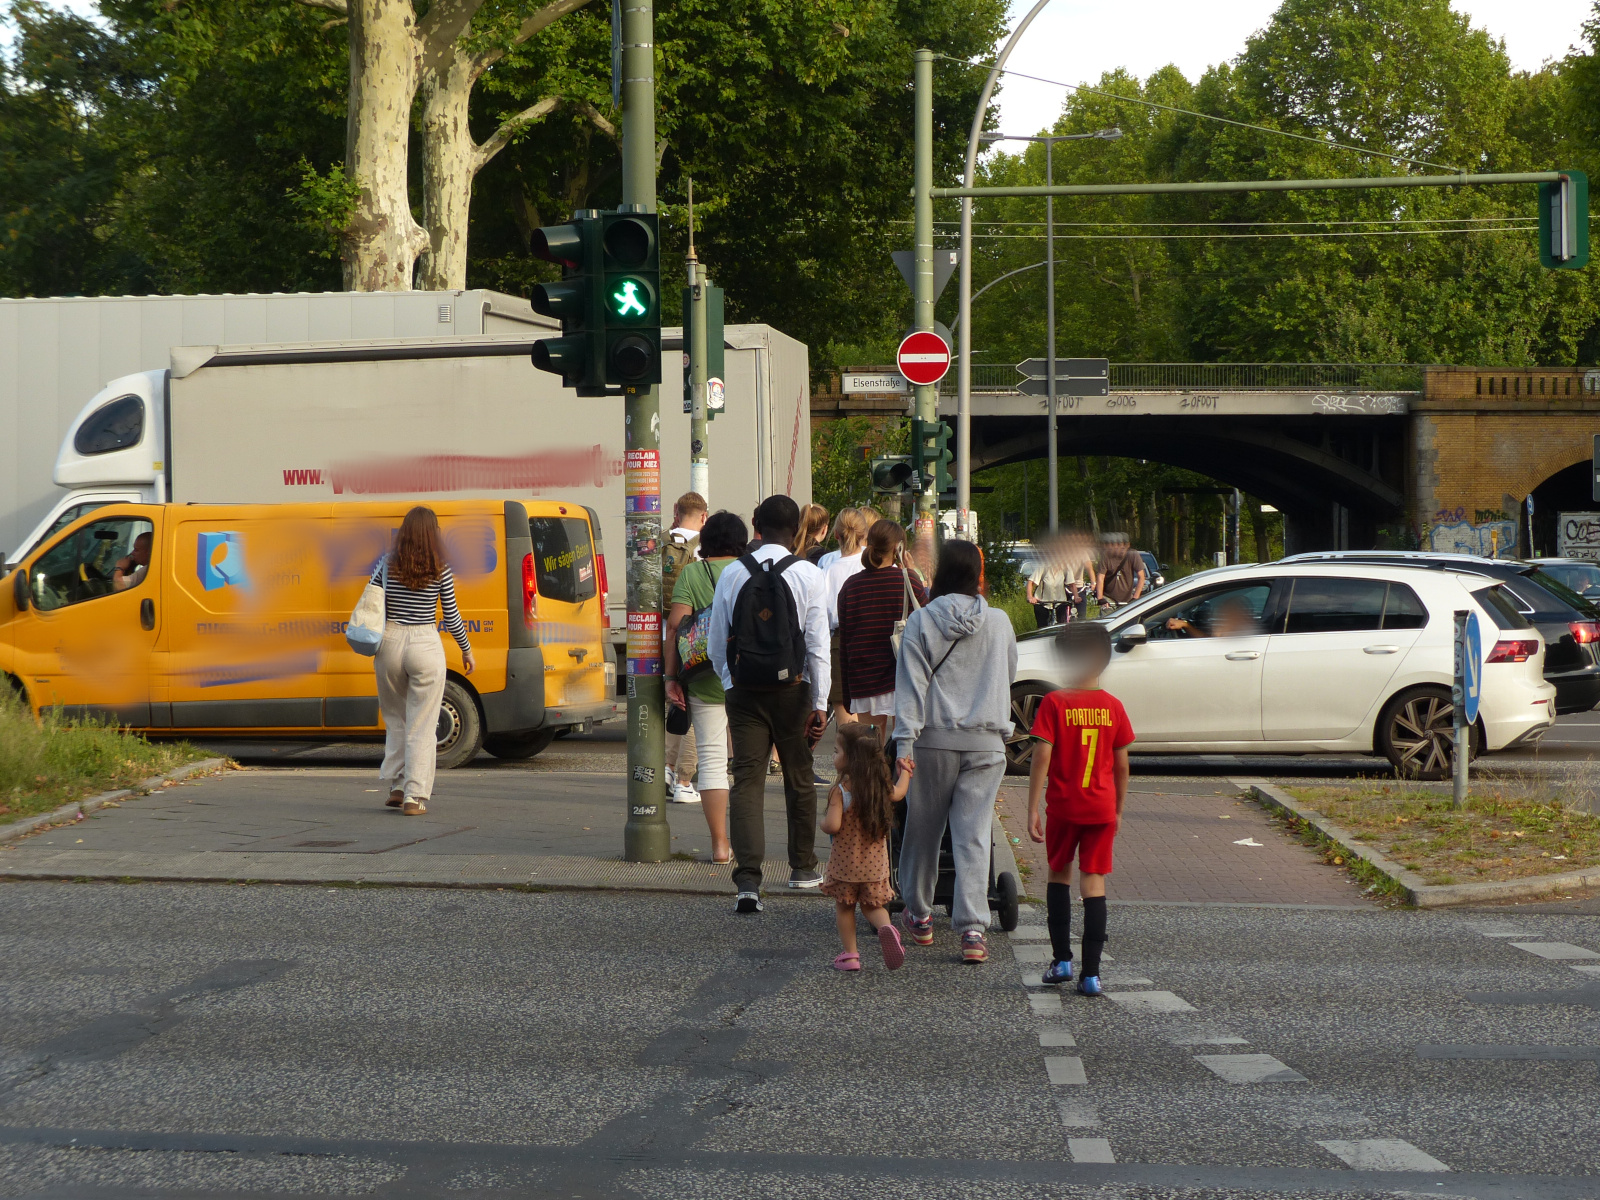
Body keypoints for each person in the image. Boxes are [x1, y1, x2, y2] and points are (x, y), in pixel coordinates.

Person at [893, 540, 1017, 963]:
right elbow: (1008, 675)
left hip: (932, 742)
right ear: (978, 575)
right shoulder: (999, 623)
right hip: (986, 744)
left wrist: (903, 745)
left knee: (922, 831)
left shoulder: (921, 622)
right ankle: (972, 932)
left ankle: (920, 915)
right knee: (973, 835)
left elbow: (910, 690)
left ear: (941, 572)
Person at [709, 494, 832, 912]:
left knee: (746, 781)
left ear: (757, 525)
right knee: (799, 775)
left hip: (743, 692)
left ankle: (747, 882)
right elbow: (818, 646)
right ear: (797, 529)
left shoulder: (731, 574)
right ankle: (803, 867)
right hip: (792, 690)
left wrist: (732, 682)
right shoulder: (809, 574)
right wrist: (819, 701)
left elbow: (715, 644)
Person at [1026, 622, 1134, 996]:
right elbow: (1121, 765)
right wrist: (1118, 808)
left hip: (1064, 807)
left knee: (1059, 875)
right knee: (1094, 883)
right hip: (1101, 808)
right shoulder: (1113, 707)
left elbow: (1042, 755)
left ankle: (1061, 960)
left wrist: (1033, 807)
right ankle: (1092, 974)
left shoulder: (1055, 703)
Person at [372, 506, 475, 816]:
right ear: (434, 532)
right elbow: (452, 614)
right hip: (424, 642)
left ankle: (398, 785)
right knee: (422, 723)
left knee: (397, 719)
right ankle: (414, 797)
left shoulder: (387, 564)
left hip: (390, 642)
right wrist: (466, 649)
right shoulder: (440, 566)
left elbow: (373, 602)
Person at [664, 511, 748, 864]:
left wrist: (670, 677)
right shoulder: (750, 571)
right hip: (750, 677)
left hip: (704, 677)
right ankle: (752, 845)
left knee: (712, 760)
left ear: (706, 540)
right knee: (749, 763)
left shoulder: (693, 572)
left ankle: (720, 845)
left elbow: (675, 624)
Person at [820, 722, 914, 972]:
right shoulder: (880, 788)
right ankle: (887, 929)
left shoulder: (840, 791)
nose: (833, 755)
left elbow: (833, 825)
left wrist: (822, 822)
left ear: (851, 759)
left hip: (846, 866)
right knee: (872, 906)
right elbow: (901, 793)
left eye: (837, 751)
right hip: (875, 866)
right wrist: (904, 771)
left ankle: (851, 955)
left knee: (845, 907)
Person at [835, 519, 926, 741]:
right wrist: (911, 572)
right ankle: (898, 776)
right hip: (902, 675)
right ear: (899, 548)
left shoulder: (851, 586)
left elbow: (845, 643)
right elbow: (929, 621)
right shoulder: (909, 582)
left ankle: (874, 776)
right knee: (905, 744)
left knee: (871, 746)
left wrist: (847, 693)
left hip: (864, 678)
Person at [662, 493, 708, 804]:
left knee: (672, 703)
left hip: (660, 632)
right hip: (691, 637)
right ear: (703, 516)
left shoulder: (659, 542)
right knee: (692, 705)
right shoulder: (705, 549)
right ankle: (684, 781)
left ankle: (666, 768)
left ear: (676, 513)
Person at [823, 506, 874, 727]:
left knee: (847, 721)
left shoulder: (828, 568)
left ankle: (852, 760)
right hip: (875, 641)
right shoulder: (877, 562)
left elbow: (822, 616)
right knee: (875, 720)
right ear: (864, 534)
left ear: (836, 534)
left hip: (839, 642)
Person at [1165, 595, 1258, 638]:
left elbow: (1213, 644)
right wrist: (1185, 624)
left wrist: (1219, 633)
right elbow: (1205, 638)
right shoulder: (1235, 628)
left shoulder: (1248, 634)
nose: (1224, 615)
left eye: (1228, 611)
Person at [1096, 532, 1147, 607]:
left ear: (1128, 545)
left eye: (1124, 545)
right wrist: (1100, 598)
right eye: (1119, 545)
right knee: (1107, 614)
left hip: (1128, 599)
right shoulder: (1106, 556)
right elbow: (1100, 577)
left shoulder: (1133, 555)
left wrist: (1136, 597)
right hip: (1108, 598)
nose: (1121, 548)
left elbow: (1141, 576)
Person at [1026, 540, 1068, 629]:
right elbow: (1030, 582)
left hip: (1059, 602)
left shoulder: (1065, 569)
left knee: (1063, 627)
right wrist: (1030, 597)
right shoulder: (1043, 568)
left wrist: (1076, 596)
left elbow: (1072, 584)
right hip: (1042, 602)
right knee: (1042, 627)